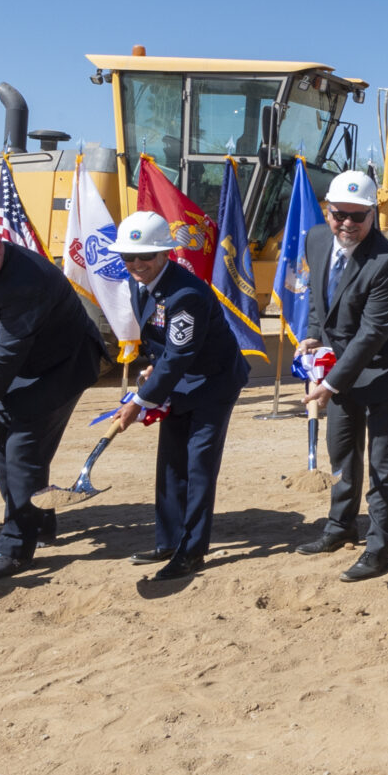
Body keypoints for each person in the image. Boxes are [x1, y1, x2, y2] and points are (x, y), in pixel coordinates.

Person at [0, 207, 110, 584]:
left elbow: (10, 352)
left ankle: (15, 547)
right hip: (27, 365)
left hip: (63, 366)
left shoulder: (26, 280)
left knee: (22, 447)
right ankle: (38, 523)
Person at [110, 211, 248, 582]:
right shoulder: (142, 285)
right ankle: (168, 540)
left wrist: (140, 400)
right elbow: (164, 347)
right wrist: (154, 367)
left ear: (165, 254)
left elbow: (180, 353)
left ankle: (191, 551)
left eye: (145, 257)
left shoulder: (185, 294)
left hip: (213, 384)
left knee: (198, 464)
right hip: (179, 381)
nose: (136, 264)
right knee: (171, 462)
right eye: (129, 257)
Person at [297, 169, 388, 583]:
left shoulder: (387, 262)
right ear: (326, 211)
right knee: (342, 450)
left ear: (373, 215)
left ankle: (380, 545)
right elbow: (319, 297)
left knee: (382, 462)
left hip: (385, 369)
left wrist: (329, 385)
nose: (346, 224)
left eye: (357, 216)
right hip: (342, 365)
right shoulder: (316, 240)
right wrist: (314, 335)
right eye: (338, 214)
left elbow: (372, 334)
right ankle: (339, 525)